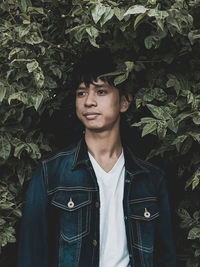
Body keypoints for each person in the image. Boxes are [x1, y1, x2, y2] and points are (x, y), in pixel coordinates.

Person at [18, 49, 177, 267]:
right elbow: (32, 257)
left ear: (124, 102)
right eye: (81, 93)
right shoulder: (50, 174)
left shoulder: (151, 179)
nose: (89, 101)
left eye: (101, 92)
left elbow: (165, 258)